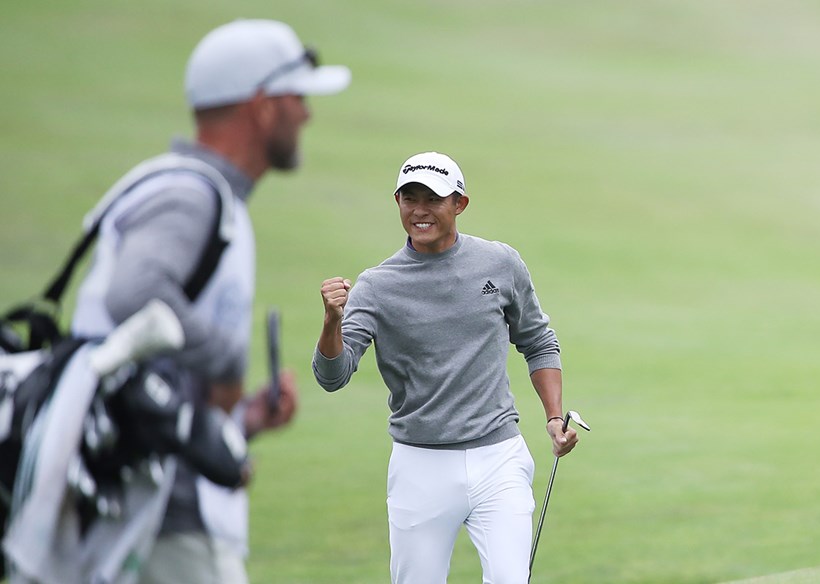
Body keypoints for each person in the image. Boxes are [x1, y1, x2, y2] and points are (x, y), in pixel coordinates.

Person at [69, 18, 351, 583]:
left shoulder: (200, 192)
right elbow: (136, 294)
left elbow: (156, 366)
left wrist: (241, 420)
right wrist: (226, 360)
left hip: (150, 493)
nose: (307, 115)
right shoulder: (192, 195)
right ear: (263, 107)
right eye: (297, 98)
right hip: (160, 508)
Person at [312, 151, 580, 584]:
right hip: (420, 465)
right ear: (397, 202)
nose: (420, 210)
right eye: (409, 198)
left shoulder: (500, 263)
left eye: (434, 199)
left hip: (500, 457)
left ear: (459, 204)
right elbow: (332, 376)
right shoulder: (377, 286)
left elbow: (538, 340)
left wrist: (553, 417)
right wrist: (331, 322)